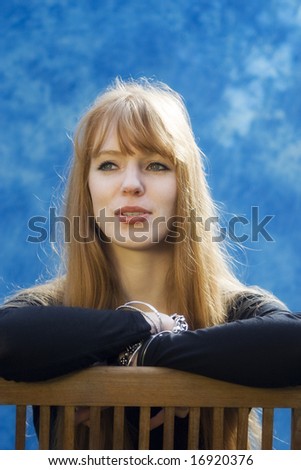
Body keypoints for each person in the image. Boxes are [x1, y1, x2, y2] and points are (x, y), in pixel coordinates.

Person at [0, 78, 300, 449]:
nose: (131, 184)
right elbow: (6, 339)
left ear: (183, 187)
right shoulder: (46, 308)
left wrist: (146, 351)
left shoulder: (234, 308)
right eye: (109, 164)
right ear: (87, 186)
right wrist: (143, 325)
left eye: (156, 165)